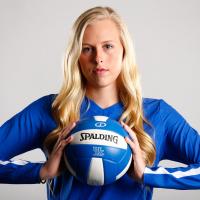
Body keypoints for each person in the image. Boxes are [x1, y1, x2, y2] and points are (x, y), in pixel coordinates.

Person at [0, 6, 200, 200]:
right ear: (76, 56)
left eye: (108, 46)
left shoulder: (157, 114)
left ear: (124, 51)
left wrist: (148, 175)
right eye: (87, 49)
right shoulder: (50, 110)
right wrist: (41, 171)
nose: (98, 58)